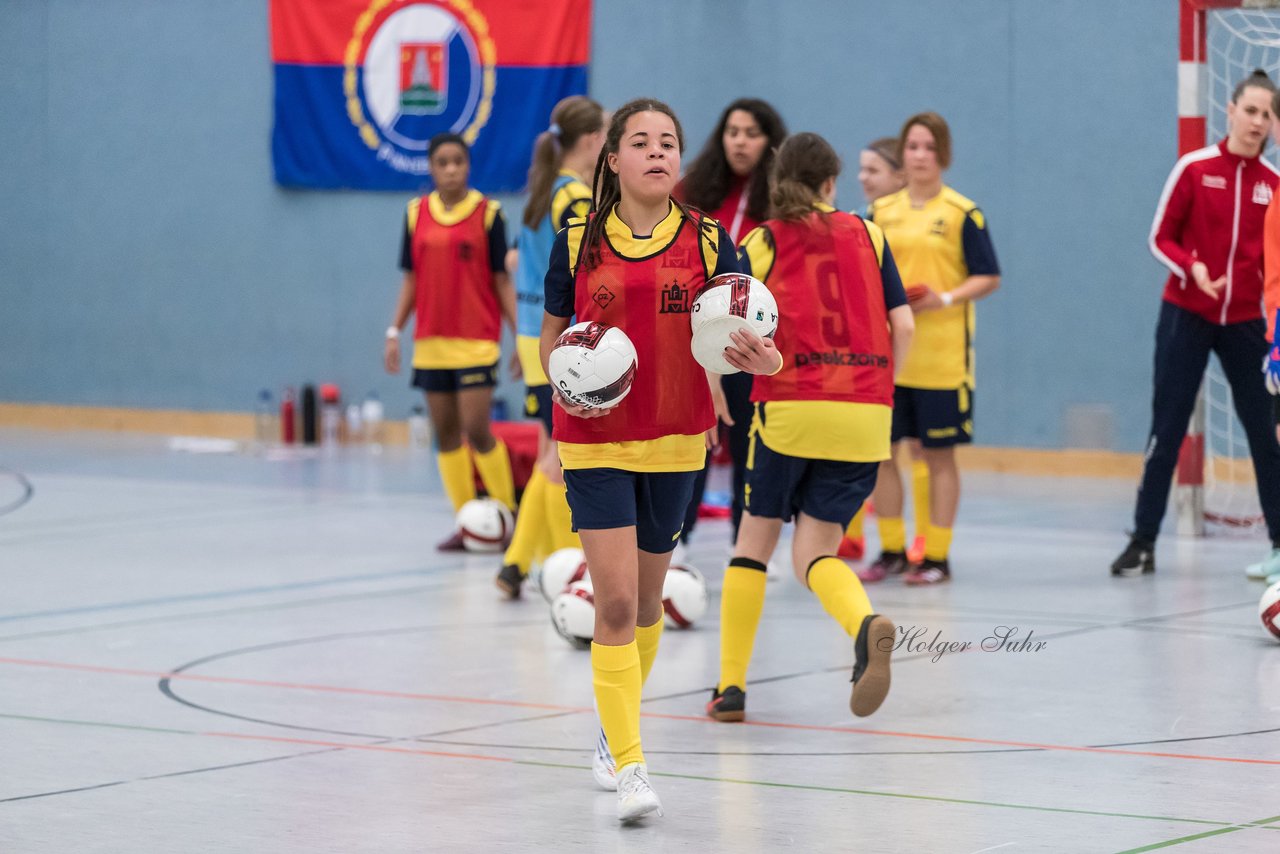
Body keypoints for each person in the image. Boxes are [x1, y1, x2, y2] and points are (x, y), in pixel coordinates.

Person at [541, 98, 779, 822]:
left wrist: (763, 358)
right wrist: (558, 399)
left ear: (679, 159)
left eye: (667, 142)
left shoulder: (710, 242)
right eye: (639, 142)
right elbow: (550, 336)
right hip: (595, 441)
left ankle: (614, 735)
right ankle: (634, 766)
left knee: (646, 606)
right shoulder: (578, 234)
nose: (656, 152)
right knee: (612, 604)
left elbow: (748, 338)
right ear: (611, 159)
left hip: (677, 440)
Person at [708, 132, 914, 724]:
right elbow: (902, 328)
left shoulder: (762, 241)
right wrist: (879, 390)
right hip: (867, 413)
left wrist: (715, 386)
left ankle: (731, 689)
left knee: (755, 544)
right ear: (831, 184)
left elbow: (724, 325)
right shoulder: (869, 233)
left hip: (791, 408)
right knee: (815, 552)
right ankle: (863, 623)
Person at [1112, 69, 1280, 579]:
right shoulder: (1194, 167)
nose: (1257, 121)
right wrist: (1192, 267)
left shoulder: (1274, 186)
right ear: (1229, 111)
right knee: (1168, 426)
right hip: (1187, 314)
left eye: (1267, 114)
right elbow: (1160, 238)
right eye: (1249, 110)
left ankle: (1279, 545)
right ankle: (1142, 540)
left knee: (1265, 434)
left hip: (1248, 324)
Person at [859, 112, 1001, 586]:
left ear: (943, 154)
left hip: (942, 360)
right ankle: (893, 548)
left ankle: (936, 555)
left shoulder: (963, 213)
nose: (920, 155)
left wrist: (946, 298)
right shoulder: (881, 213)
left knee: (938, 457)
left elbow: (988, 276)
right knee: (883, 454)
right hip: (889, 358)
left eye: (928, 147)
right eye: (912, 147)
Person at [384, 133, 517, 551]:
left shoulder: (489, 214)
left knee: (477, 429)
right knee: (445, 433)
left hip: (477, 341)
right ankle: (467, 521)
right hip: (431, 343)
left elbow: (500, 280)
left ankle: (506, 514)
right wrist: (394, 331)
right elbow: (411, 278)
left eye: (458, 161)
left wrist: (522, 336)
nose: (451, 169)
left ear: (468, 165)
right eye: (442, 162)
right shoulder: (414, 214)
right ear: (431, 167)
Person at [495, 96, 604, 597]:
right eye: (605, 134)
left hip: (533, 332)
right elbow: (584, 272)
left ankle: (517, 564)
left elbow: (523, 266)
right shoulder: (575, 200)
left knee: (549, 449)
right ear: (590, 141)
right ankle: (563, 565)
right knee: (559, 457)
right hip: (560, 337)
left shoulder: (543, 190)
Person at [675, 99, 788, 554]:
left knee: (748, 438)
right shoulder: (693, 191)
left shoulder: (781, 201)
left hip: (754, 340)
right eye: (733, 131)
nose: (741, 141)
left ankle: (748, 542)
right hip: (696, 336)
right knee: (696, 433)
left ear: (770, 142)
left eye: (752, 133)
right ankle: (678, 535)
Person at [839, 136, 909, 561]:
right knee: (873, 452)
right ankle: (857, 534)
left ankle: (913, 544)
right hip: (869, 352)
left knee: (913, 453)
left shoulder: (918, 221)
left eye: (873, 171)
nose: (863, 178)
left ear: (899, 176)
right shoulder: (858, 222)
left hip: (913, 354)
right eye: (861, 170)